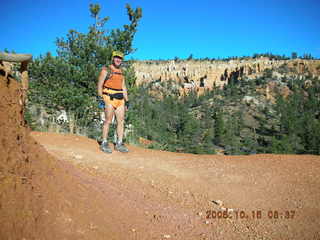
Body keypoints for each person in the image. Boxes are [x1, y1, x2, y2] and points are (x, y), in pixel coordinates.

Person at [97, 51, 129, 153]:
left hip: (120, 99)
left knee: (121, 121)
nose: (118, 60)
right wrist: (100, 98)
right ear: (113, 58)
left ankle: (119, 143)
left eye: (120, 58)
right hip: (108, 97)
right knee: (108, 120)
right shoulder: (106, 70)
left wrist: (127, 101)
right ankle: (104, 142)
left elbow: (123, 87)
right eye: (116, 57)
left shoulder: (121, 72)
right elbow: (100, 84)